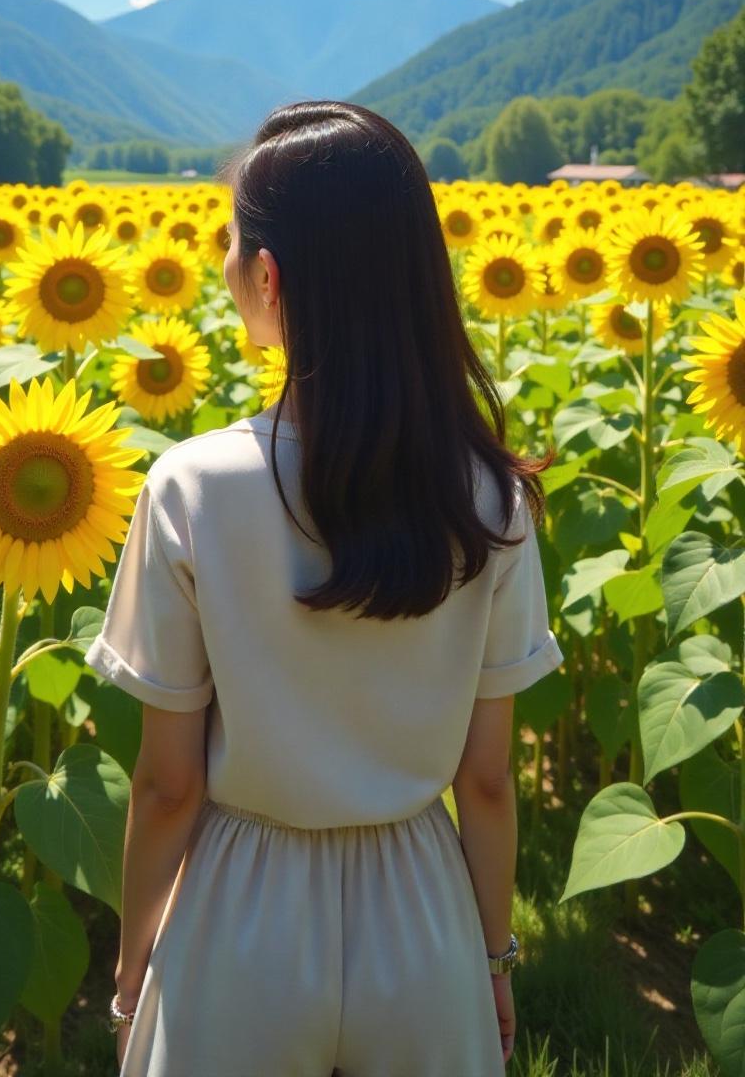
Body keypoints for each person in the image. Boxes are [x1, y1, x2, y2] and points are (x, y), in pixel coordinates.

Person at [84, 100, 565, 1076]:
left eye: (229, 242)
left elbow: (168, 784)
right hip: (422, 909)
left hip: (238, 912)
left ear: (268, 276)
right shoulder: (486, 494)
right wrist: (494, 957)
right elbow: (483, 779)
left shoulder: (191, 485)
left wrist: (135, 962)